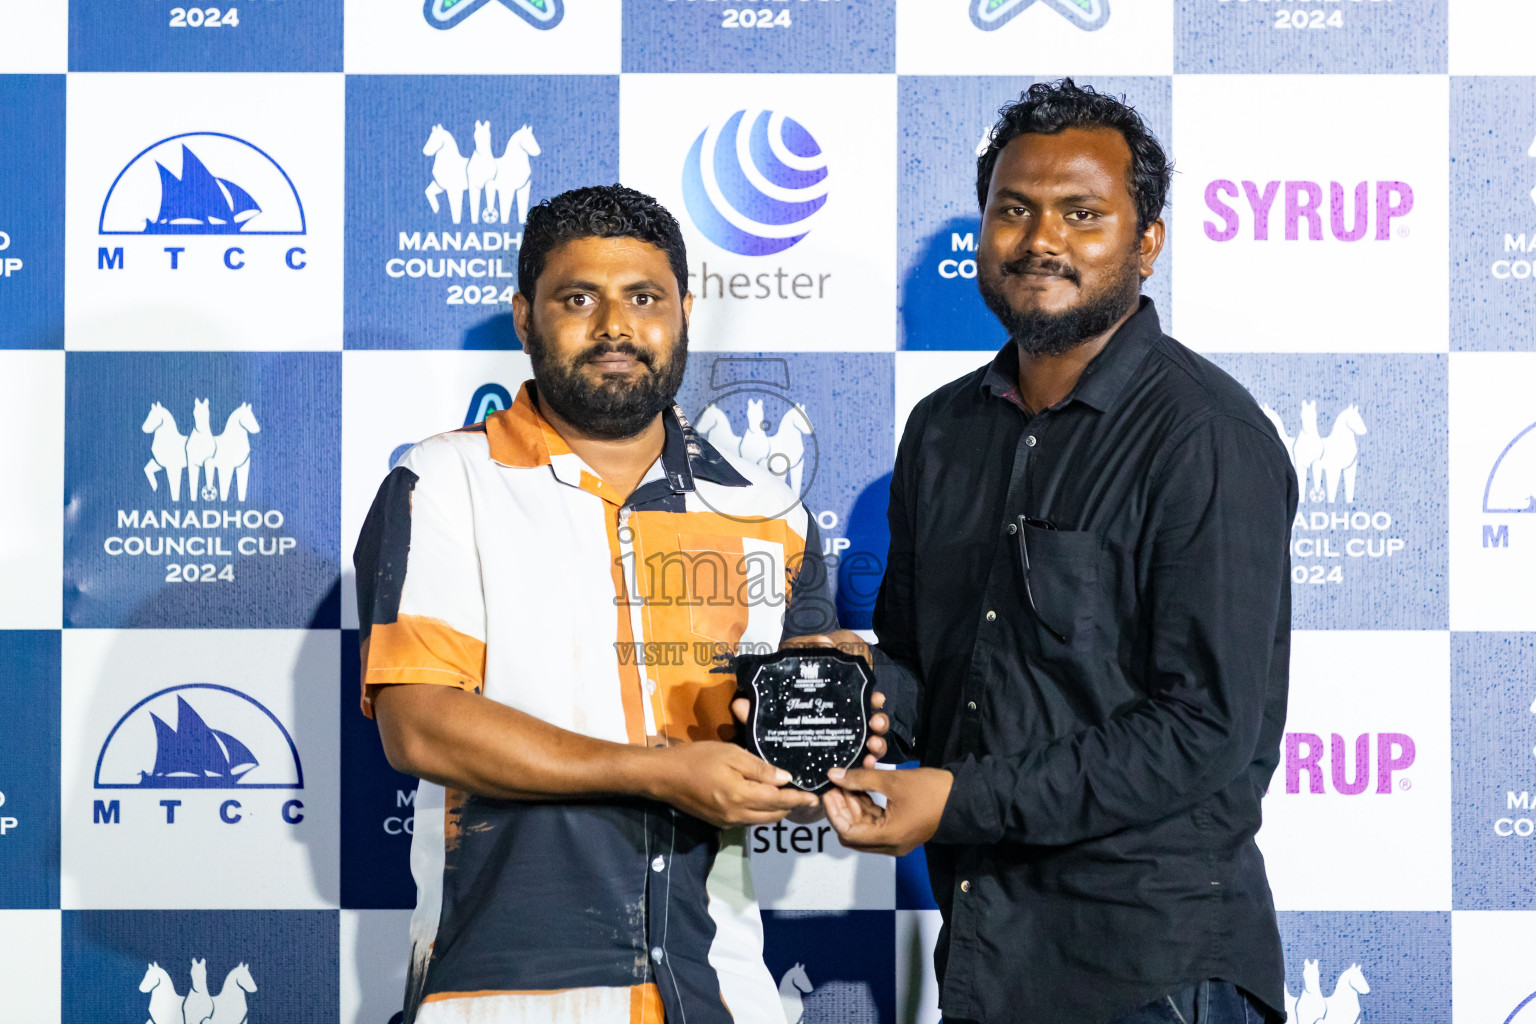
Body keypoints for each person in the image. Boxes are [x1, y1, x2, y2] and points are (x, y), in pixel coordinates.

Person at [810, 80, 1297, 1023]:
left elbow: (1203, 731)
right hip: (987, 959)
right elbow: (929, 678)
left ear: (1146, 242)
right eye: (1014, 210)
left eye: (1083, 214)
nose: (1042, 240)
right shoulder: (942, 429)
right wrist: (853, 688)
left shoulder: (1204, 436)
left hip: (1150, 968)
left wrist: (953, 800)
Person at [353, 184, 835, 1024]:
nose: (615, 325)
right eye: (579, 298)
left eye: (644, 298)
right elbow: (418, 723)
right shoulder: (444, 481)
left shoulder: (771, 512)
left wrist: (840, 728)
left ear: (685, 312)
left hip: (718, 990)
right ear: (524, 317)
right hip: (501, 997)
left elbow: (803, 736)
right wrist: (655, 773)